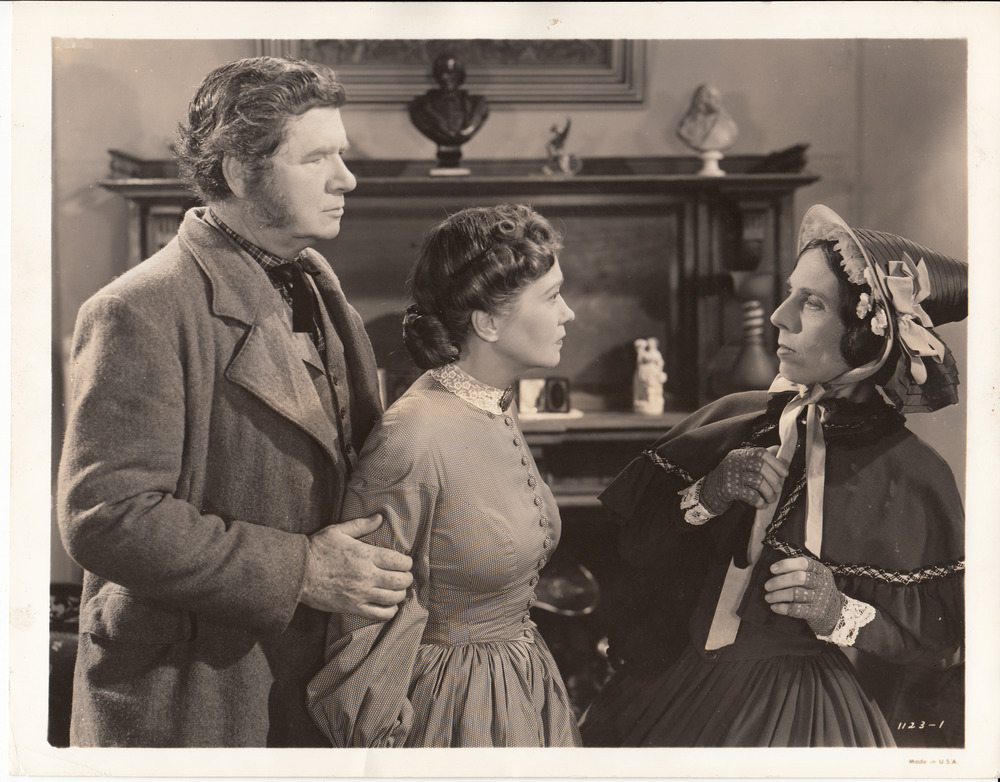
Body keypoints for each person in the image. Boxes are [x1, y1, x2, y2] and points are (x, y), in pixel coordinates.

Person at [56, 56, 413, 747]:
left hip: (300, 682)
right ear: (239, 172)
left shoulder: (313, 280)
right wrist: (303, 571)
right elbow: (107, 518)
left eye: (342, 154)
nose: (347, 178)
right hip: (191, 696)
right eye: (317, 158)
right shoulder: (139, 308)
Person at [580, 204, 967, 747]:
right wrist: (706, 495)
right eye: (790, 294)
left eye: (812, 303)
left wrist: (837, 611)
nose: (779, 316)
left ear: (865, 336)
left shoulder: (909, 470)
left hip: (794, 706)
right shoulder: (734, 418)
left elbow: (939, 641)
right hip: (669, 684)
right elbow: (634, 546)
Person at [306, 204, 582, 747]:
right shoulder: (414, 436)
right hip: (449, 712)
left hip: (519, 684)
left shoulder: (490, 403)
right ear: (488, 322)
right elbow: (360, 633)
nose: (568, 313)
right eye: (552, 297)